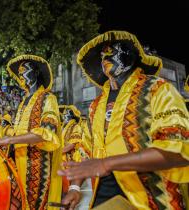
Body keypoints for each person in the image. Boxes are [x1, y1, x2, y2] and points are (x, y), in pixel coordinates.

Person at [58, 31, 189, 209]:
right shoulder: (96, 105)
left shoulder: (157, 89)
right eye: (103, 55)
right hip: (102, 199)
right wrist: (74, 188)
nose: (105, 56)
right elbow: (86, 151)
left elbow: (178, 151)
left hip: (151, 200)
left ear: (130, 56)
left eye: (112, 51)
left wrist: (106, 163)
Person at [0, 55, 62, 210]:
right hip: (18, 164)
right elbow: (18, 132)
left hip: (38, 167)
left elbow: (46, 132)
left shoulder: (48, 98)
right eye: (19, 72)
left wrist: (6, 141)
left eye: (25, 70)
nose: (21, 75)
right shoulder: (23, 102)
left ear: (36, 73)